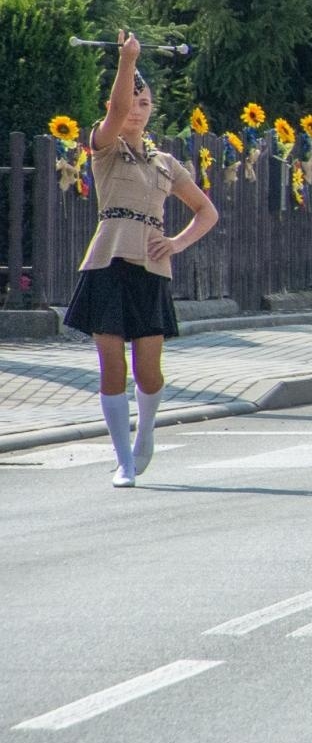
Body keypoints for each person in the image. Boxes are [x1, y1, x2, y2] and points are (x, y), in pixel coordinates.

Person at [65, 32, 219, 488]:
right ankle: (123, 461)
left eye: (145, 102)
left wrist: (175, 242)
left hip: (151, 268)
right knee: (112, 366)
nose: (137, 108)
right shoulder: (106, 145)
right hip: (107, 262)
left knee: (148, 370)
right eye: (133, 99)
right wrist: (126, 61)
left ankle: (145, 431)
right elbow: (113, 114)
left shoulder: (166, 162)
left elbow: (207, 212)